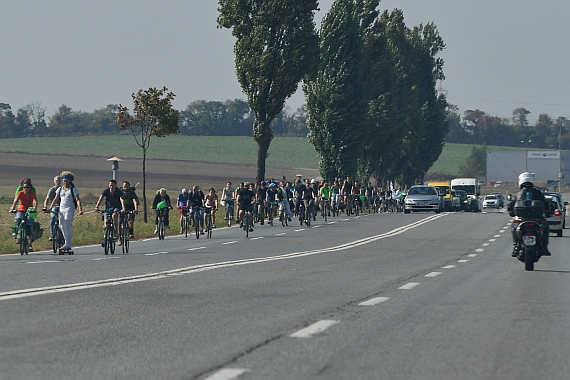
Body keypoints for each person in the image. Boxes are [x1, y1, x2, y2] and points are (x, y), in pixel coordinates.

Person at [507, 172, 551, 256]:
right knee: (545, 227)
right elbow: (546, 204)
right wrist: (548, 211)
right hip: (537, 218)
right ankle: (544, 247)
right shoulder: (538, 193)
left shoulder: (517, 194)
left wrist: (512, 213)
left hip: (522, 219)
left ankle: (515, 246)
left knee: (513, 227)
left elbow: (510, 206)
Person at [49, 171, 84, 251]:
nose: (65, 182)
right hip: (61, 209)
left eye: (66, 181)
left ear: (70, 181)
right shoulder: (60, 189)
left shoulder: (73, 189)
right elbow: (55, 199)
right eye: (64, 180)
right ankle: (66, 242)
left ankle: (68, 244)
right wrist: (50, 208)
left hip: (69, 208)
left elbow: (78, 200)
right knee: (61, 225)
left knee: (67, 225)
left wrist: (80, 209)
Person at [9, 179, 37, 250]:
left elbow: (35, 201)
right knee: (18, 220)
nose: (25, 189)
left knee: (28, 225)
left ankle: (29, 243)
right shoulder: (20, 193)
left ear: (29, 188)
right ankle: (18, 234)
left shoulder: (31, 193)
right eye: (24, 187)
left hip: (29, 210)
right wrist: (12, 208)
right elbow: (15, 201)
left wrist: (34, 208)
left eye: (27, 187)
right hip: (21, 209)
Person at [43, 175, 62, 240]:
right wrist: (45, 207)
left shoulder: (63, 189)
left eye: (59, 180)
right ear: (54, 181)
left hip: (62, 207)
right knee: (53, 218)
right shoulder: (52, 190)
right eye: (57, 180)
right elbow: (47, 199)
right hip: (54, 207)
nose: (58, 182)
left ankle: (63, 234)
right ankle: (51, 233)